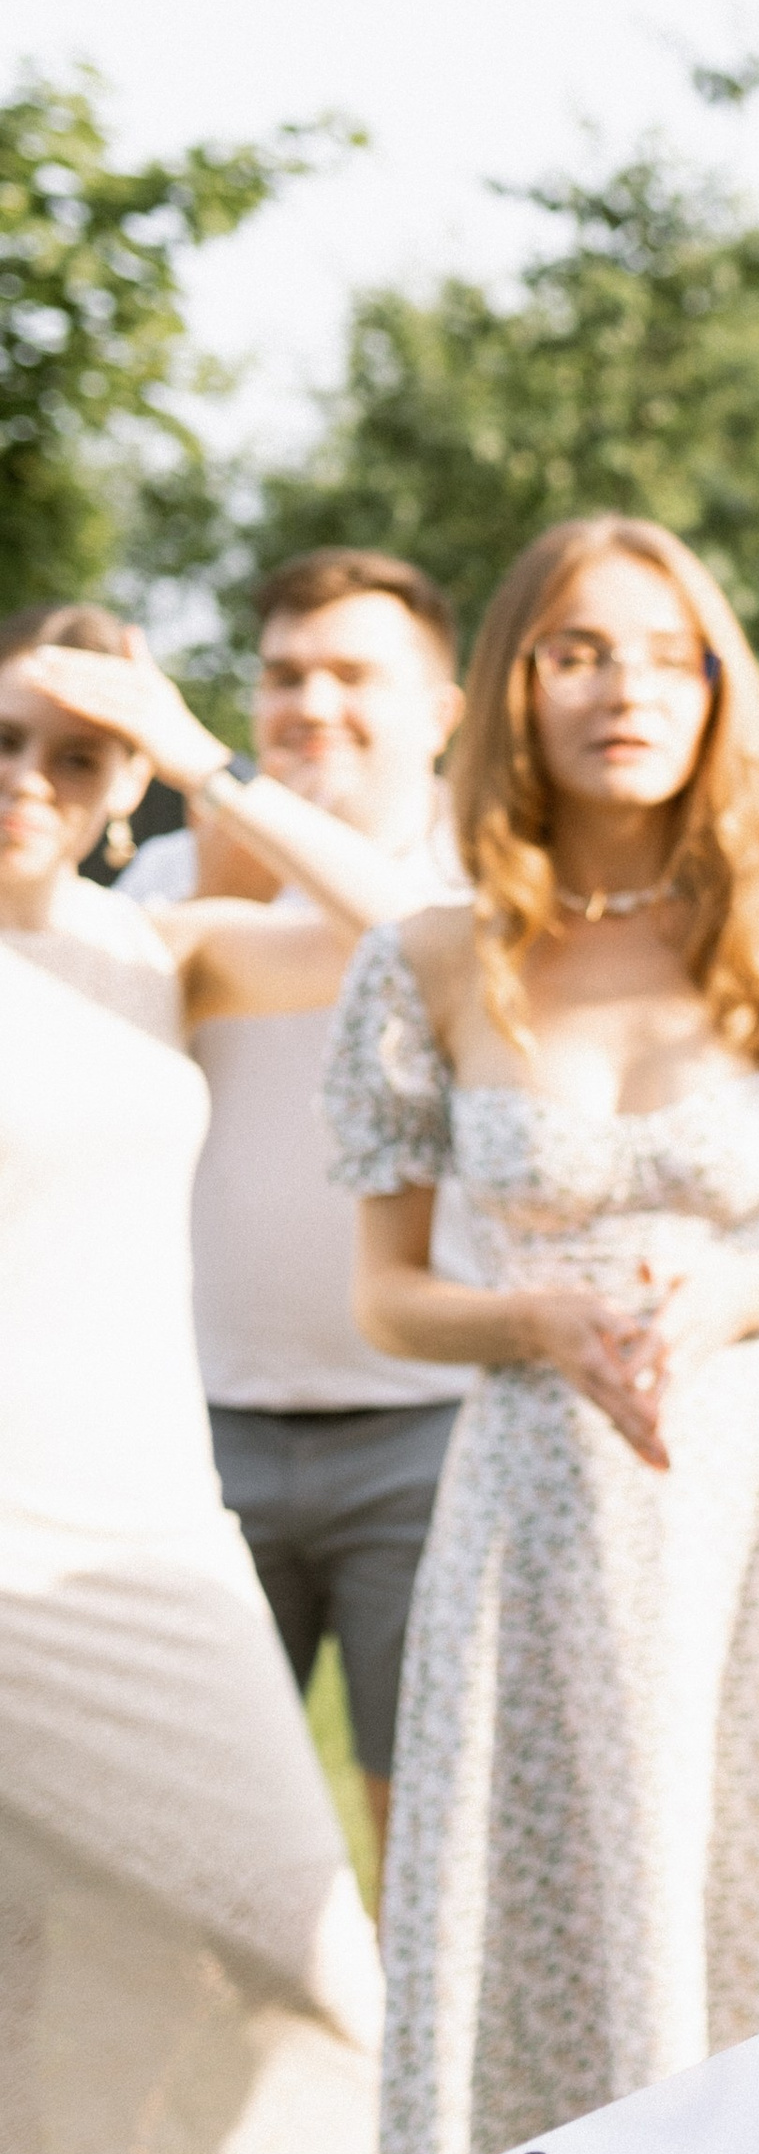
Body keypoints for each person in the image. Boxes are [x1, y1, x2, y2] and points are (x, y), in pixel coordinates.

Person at [323, 515, 759, 2154]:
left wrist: (742, 1286)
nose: (626, 691)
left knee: (758, 1881)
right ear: (514, 684)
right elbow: (387, 1297)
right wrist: (537, 1319)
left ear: (719, 687)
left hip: (740, 1492)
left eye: (669, 656)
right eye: (580, 652)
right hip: (527, 1503)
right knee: (543, 1916)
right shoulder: (429, 955)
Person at [0, 605, 416, 2154]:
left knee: (312, 1948)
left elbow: (430, 937)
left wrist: (189, 748)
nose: (27, 779)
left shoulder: (163, 946)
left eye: (70, 756)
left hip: (144, 1531)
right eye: (2, 740)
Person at [122, 548, 472, 1859]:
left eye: (351, 675)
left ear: (441, 711)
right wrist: (213, 857)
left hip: (431, 1432)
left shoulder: (490, 872)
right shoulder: (170, 882)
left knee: (423, 1822)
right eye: (283, 676)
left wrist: (216, 775)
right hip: (199, 1429)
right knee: (180, 1830)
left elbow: (419, 943)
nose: (310, 704)